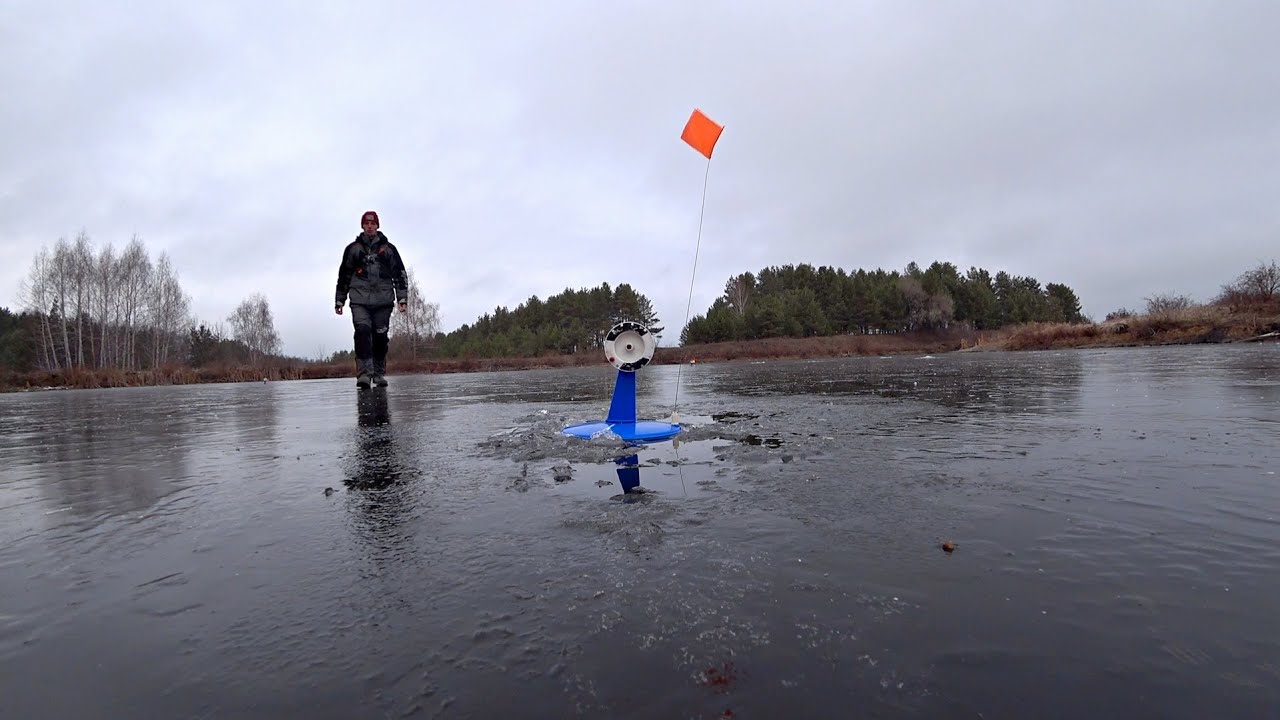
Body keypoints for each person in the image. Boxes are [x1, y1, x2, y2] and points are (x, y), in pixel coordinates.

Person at [335, 210, 409, 388]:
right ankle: (364, 374)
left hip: (383, 301)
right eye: (366, 224)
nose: (369, 226)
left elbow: (400, 274)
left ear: (377, 226)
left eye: (373, 223)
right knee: (362, 332)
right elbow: (344, 275)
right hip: (359, 300)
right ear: (362, 226)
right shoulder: (353, 249)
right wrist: (340, 299)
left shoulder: (389, 249)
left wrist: (402, 298)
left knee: (380, 336)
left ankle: (378, 373)